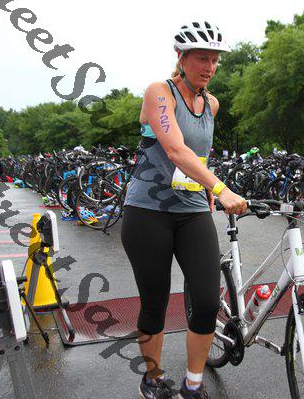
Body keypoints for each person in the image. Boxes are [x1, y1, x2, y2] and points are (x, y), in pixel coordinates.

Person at [121, 21, 247, 399]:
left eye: (215, 60)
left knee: (207, 301)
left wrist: (206, 189)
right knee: (155, 304)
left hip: (192, 211)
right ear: (181, 57)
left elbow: (198, 154)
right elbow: (176, 149)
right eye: (201, 58)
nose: (210, 67)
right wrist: (221, 189)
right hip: (148, 212)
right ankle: (152, 378)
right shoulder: (160, 93)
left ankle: (193, 384)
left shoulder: (212, 104)